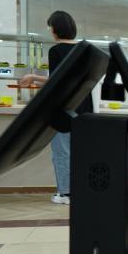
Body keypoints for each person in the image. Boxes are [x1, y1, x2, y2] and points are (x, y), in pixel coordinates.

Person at [19, 11, 93, 205]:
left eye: (50, 27)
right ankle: (82, 190)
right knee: (82, 151)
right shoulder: (85, 50)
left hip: (63, 109)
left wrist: (33, 78)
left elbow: (57, 81)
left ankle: (66, 193)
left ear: (55, 29)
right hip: (84, 108)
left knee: (62, 151)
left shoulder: (57, 50)